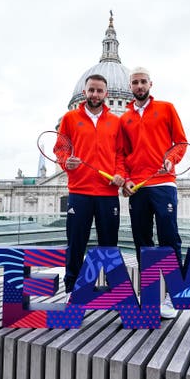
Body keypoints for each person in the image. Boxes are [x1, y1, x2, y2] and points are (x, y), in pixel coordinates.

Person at [121, 67, 188, 318]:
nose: (139, 86)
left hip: (163, 183)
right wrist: (126, 179)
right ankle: (149, 294)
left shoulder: (167, 108)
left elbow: (181, 142)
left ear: (151, 84)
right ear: (130, 86)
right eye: (135, 82)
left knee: (169, 239)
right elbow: (122, 155)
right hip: (137, 186)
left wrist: (171, 159)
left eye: (143, 82)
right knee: (142, 242)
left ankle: (173, 295)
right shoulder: (124, 119)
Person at [57, 74, 126, 299]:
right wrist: (66, 162)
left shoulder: (116, 122)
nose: (95, 94)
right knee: (76, 243)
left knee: (110, 244)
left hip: (107, 193)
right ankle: (71, 290)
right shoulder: (69, 119)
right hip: (79, 192)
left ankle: (115, 291)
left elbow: (120, 154)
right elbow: (61, 149)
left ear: (106, 94)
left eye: (99, 91)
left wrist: (119, 174)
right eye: (91, 90)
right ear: (85, 92)